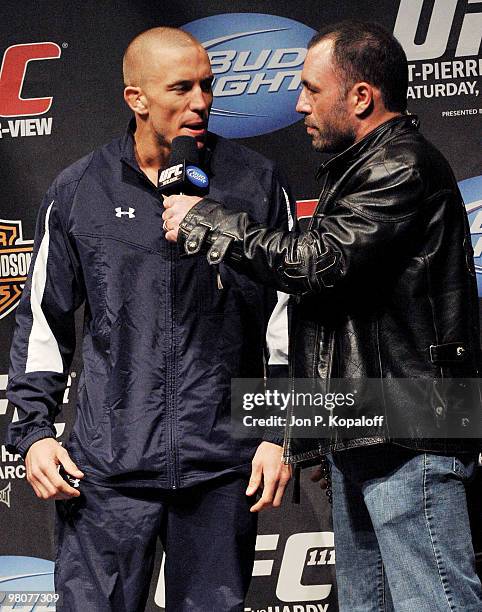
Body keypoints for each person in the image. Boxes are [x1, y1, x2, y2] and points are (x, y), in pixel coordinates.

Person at [162, 20, 482, 612]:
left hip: (411, 431)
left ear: (361, 96)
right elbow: (339, 313)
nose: (299, 103)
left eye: (311, 89)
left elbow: (315, 263)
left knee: (434, 602)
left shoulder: (401, 166)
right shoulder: (358, 169)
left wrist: (205, 220)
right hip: (370, 428)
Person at [6, 27, 292, 612]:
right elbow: (44, 323)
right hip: (107, 473)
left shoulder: (253, 183)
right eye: (181, 88)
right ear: (136, 98)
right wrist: (33, 432)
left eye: (208, 87)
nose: (201, 103)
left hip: (219, 467)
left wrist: (279, 431)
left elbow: (287, 321)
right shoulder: (80, 188)